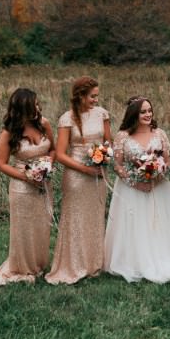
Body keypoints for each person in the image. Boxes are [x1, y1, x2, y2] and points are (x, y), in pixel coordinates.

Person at [104, 96, 170, 283]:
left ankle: (163, 257)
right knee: (136, 225)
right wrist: (135, 182)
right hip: (131, 189)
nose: (148, 114)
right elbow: (117, 165)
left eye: (150, 110)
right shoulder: (123, 136)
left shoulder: (160, 134)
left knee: (158, 224)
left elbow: (167, 159)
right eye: (143, 111)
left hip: (158, 188)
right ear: (134, 114)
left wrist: (159, 173)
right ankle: (134, 261)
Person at [45, 76, 111, 285]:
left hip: (98, 173)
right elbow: (62, 153)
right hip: (76, 176)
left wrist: (103, 156)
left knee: (95, 216)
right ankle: (72, 264)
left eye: (97, 96)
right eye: (92, 96)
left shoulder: (102, 114)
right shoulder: (67, 119)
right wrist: (84, 168)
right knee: (75, 218)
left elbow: (108, 141)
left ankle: (93, 263)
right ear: (81, 96)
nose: (95, 100)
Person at [0, 88, 56, 286]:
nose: (37, 107)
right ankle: (22, 267)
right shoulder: (9, 133)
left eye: (37, 103)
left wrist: (47, 166)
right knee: (24, 228)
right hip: (22, 188)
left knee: (42, 225)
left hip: (44, 184)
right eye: (32, 105)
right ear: (21, 109)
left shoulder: (44, 124)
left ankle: (38, 264)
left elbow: (52, 149)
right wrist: (28, 176)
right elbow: (1, 163)